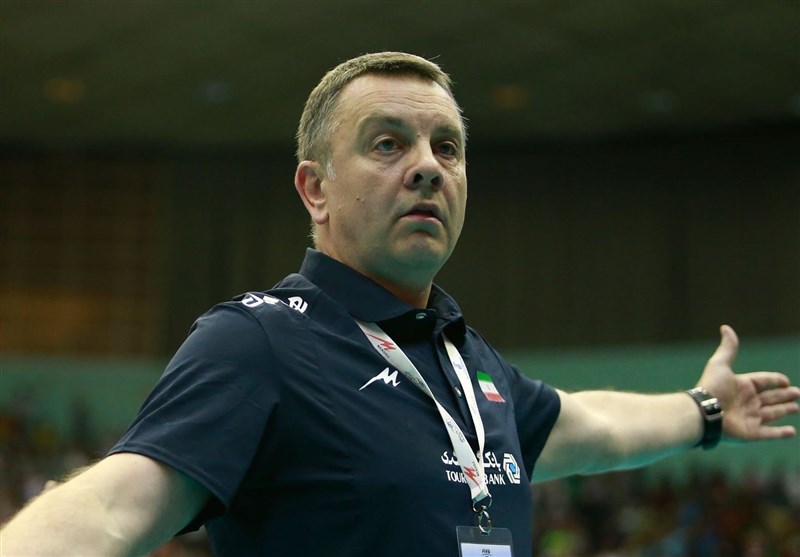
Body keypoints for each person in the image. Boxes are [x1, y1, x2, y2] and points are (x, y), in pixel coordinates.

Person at [2, 51, 798, 557]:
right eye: (388, 143)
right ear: (315, 188)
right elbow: (114, 509)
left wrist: (704, 410)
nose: (427, 167)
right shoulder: (256, 340)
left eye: (446, 147)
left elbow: (589, 426)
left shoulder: (466, 360)